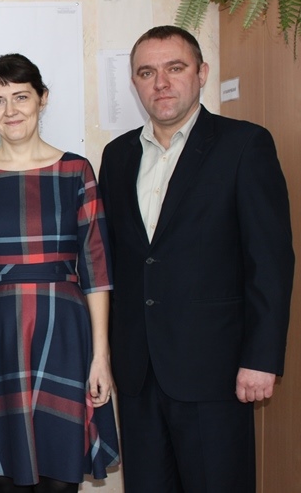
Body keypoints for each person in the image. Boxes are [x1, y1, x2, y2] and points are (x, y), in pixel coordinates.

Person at [98, 25, 294, 493]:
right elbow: (116, 259)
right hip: (138, 372)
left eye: (175, 68)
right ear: (134, 82)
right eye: (147, 72)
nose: (161, 83)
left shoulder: (244, 145)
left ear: (202, 73)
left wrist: (262, 359)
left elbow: (270, 261)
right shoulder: (117, 156)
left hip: (216, 372)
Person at [0, 54, 120, 493]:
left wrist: (100, 356)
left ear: (42, 99)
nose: (10, 110)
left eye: (21, 97)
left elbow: (96, 268)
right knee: (6, 477)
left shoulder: (76, 170)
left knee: (61, 476)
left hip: (64, 333)